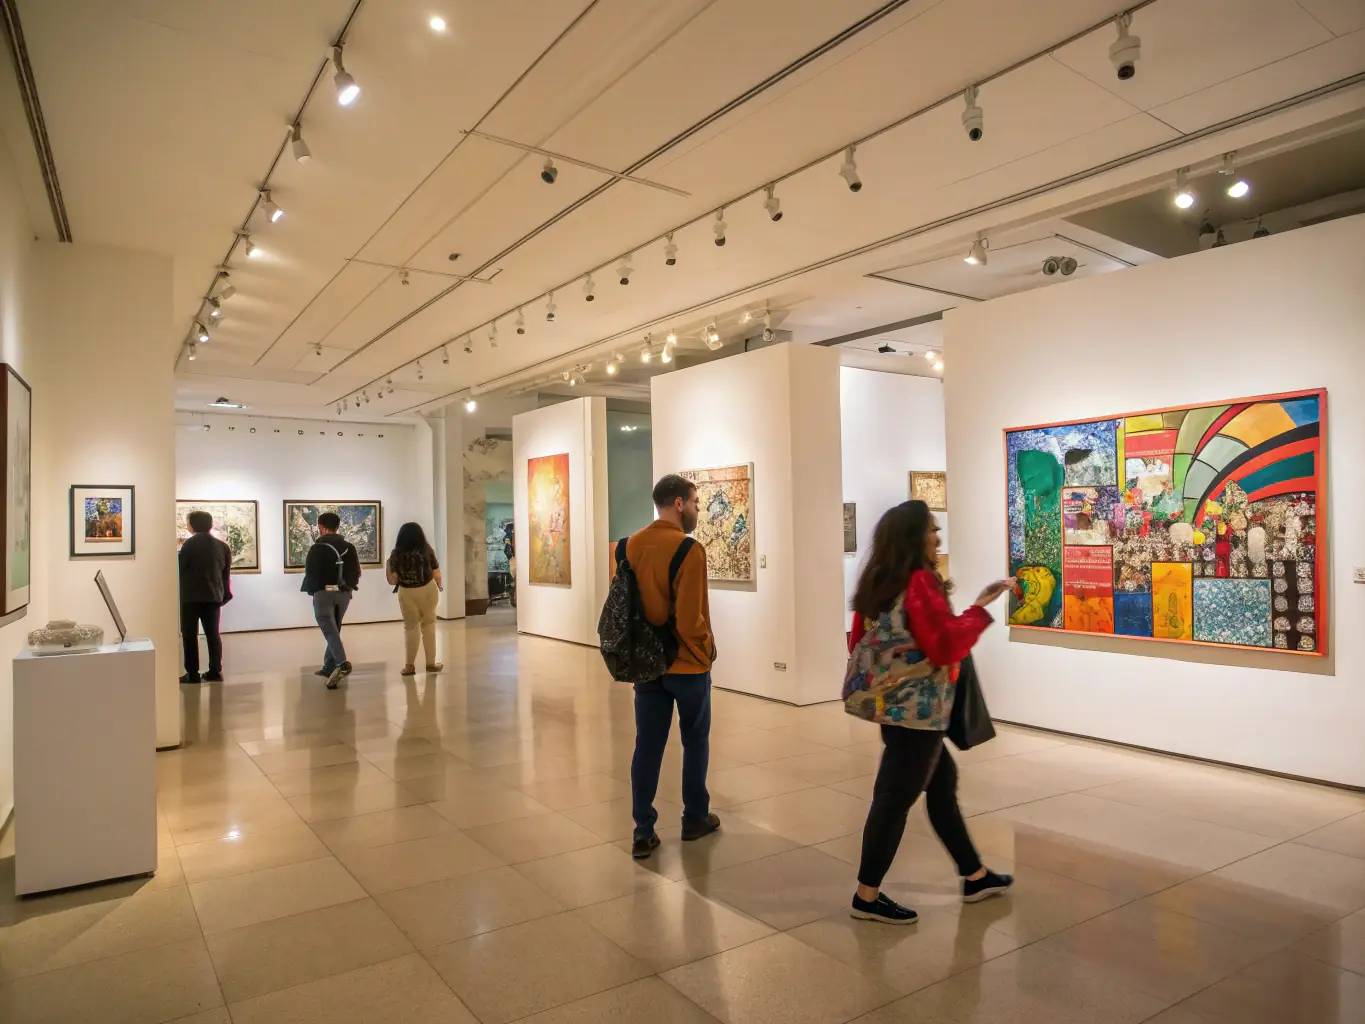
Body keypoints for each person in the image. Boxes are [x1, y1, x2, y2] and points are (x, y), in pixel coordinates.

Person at [845, 500, 1015, 925]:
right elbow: (944, 645)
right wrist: (978, 610)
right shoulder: (920, 581)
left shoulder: (880, 581)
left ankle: (974, 875)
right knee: (893, 798)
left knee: (942, 783)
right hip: (919, 712)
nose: (938, 537)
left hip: (896, 707)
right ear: (913, 536)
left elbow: (857, 643)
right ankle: (867, 896)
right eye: (932, 530)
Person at [626, 473, 720, 859]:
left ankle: (643, 829)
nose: (697, 509)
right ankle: (694, 816)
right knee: (694, 740)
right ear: (679, 503)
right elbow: (688, 620)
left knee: (647, 745)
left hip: (646, 663)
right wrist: (706, 650)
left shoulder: (629, 546)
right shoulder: (688, 550)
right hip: (686, 666)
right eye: (696, 503)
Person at [300, 512, 361, 689]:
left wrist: (313, 591)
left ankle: (342, 664)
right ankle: (328, 667)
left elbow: (311, 574)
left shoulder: (316, 548)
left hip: (323, 594)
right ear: (337, 527)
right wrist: (348, 587)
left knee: (330, 630)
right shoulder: (349, 547)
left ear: (322, 527)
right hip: (343, 594)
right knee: (335, 628)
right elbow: (356, 571)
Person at [178, 510, 232, 684]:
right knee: (213, 635)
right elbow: (225, 575)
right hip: (213, 597)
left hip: (190, 597)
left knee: (189, 635)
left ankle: (192, 673)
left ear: (192, 525)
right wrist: (223, 595)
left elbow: (180, 570)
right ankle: (215, 671)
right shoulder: (222, 547)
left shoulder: (188, 546)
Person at [386, 522, 443, 676]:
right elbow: (436, 570)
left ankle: (409, 666)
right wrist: (439, 584)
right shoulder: (427, 550)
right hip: (428, 589)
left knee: (410, 628)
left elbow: (392, 581)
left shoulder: (396, 554)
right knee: (429, 624)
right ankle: (431, 663)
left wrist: (388, 565)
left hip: (406, 592)